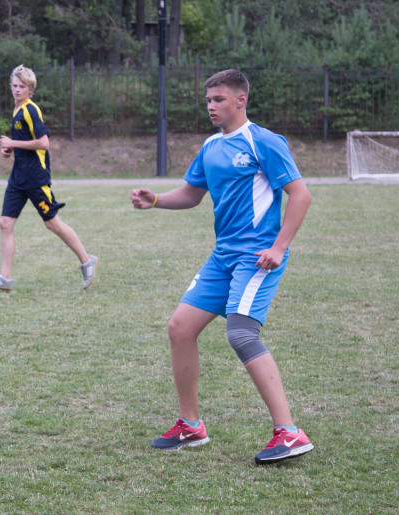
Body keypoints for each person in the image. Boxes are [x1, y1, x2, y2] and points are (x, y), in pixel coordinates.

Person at [130, 69, 314, 464]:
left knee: (242, 334)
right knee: (180, 327)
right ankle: (191, 425)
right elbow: (193, 194)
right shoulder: (212, 145)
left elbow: (300, 196)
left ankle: (289, 432)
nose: (211, 107)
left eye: (218, 100)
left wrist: (279, 247)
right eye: (208, 100)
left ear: (240, 99)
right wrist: (157, 200)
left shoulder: (263, 141)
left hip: (258, 255)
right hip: (223, 256)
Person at [0, 64, 97, 291]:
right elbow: (27, 141)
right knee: (5, 223)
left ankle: (87, 260)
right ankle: (5, 277)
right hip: (18, 177)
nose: (17, 89)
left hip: (35, 177)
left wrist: (12, 142)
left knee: (52, 223)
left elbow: (44, 143)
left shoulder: (30, 110)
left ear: (30, 88)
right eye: (14, 85)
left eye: (22, 86)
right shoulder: (17, 110)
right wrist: (11, 149)